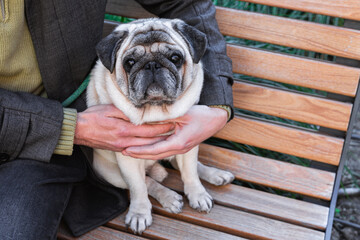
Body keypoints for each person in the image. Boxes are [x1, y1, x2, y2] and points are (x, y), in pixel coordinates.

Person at [0, 0, 233, 239]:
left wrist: (217, 107)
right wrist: (69, 127)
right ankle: (152, 187)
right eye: (131, 63)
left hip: (43, 153)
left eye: (172, 59)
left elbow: (185, 4)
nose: (152, 70)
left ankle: (192, 174)